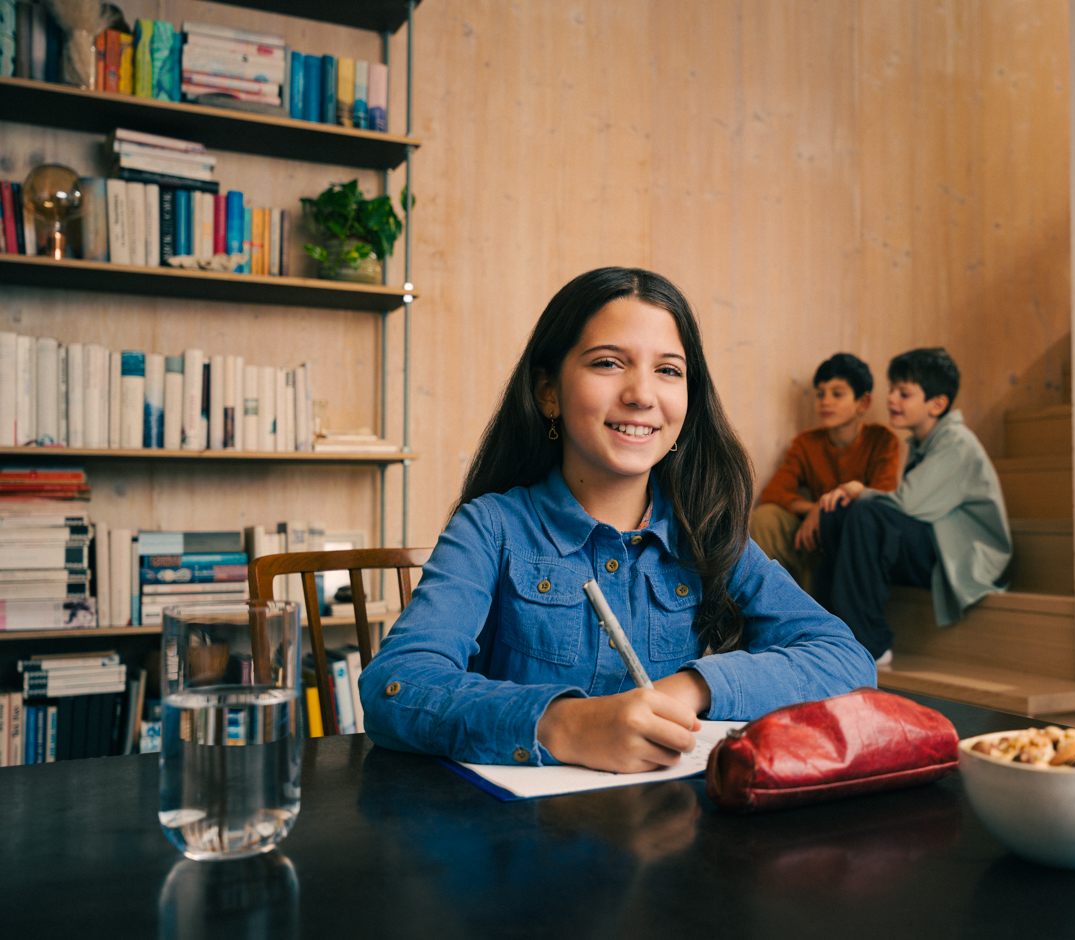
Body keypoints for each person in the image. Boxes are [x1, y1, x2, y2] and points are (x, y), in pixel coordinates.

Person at [358, 268, 875, 774]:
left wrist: (692, 687)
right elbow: (396, 685)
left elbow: (846, 660)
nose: (642, 394)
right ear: (548, 393)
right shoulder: (490, 528)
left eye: (668, 370)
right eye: (608, 363)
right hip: (519, 838)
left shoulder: (707, 533)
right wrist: (565, 724)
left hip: (668, 835)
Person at [810, 348, 1011, 662]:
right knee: (836, 514)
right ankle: (827, 636)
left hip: (963, 554)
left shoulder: (956, 441)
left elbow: (907, 505)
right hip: (938, 540)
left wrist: (859, 490)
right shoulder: (923, 442)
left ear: (937, 404)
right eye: (892, 390)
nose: (891, 399)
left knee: (866, 514)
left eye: (904, 394)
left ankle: (870, 644)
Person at [750, 353, 901, 591]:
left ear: (863, 402)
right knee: (766, 516)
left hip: (854, 537)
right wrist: (816, 508)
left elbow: (882, 497)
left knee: (842, 526)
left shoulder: (882, 440)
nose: (825, 401)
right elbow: (773, 493)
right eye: (820, 394)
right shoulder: (806, 443)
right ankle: (769, 602)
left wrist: (827, 511)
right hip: (811, 534)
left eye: (837, 394)